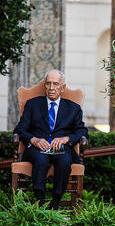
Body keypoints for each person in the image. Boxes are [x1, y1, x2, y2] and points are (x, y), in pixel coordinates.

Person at [13, 69, 88, 209]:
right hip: (37, 149)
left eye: (55, 84)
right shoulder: (32, 104)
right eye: (48, 84)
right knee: (40, 159)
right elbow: (20, 129)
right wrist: (34, 140)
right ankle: (40, 199)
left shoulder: (73, 108)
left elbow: (82, 130)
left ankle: (55, 201)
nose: (51, 88)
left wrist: (66, 138)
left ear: (62, 87)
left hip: (62, 149)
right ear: (44, 86)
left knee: (64, 160)